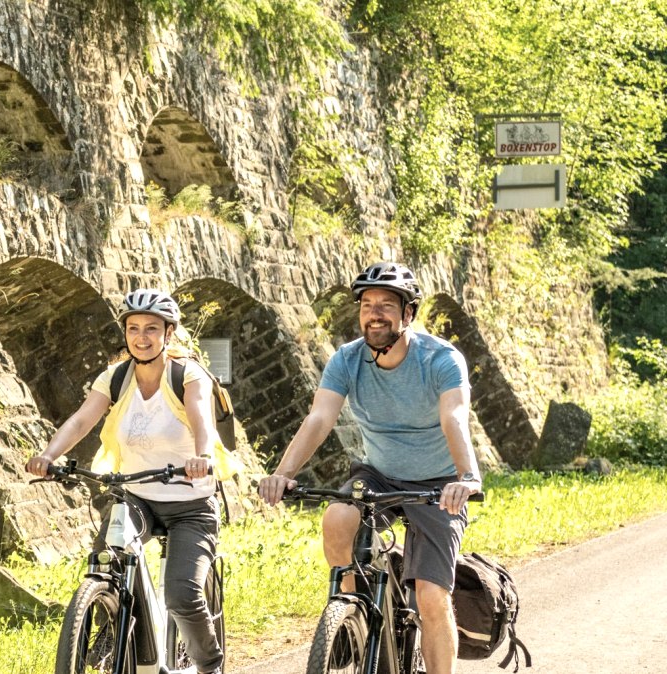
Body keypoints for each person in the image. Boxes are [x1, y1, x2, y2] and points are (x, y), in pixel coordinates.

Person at [256, 262, 484, 674]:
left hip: (438, 483)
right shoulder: (347, 359)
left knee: (431, 598)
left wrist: (466, 477)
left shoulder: (440, 359)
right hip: (378, 473)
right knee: (336, 518)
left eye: (386, 305)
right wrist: (283, 472)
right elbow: (319, 419)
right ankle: (353, 610)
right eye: (367, 304)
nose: (374, 313)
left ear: (407, 314)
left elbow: (454, 417)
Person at [26, 288, 234, 674]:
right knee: (107, 563)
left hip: (190, 504)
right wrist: (50, 455)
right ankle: (111, 621)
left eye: (151, 329)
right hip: (136, 497)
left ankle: (210, 665)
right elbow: (82, 419)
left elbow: (202, 421)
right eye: (134, 328)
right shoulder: (116, 377)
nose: (141, 337)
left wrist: (203, 457)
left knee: (182, 596)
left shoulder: (188, 374)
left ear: (168, 334)